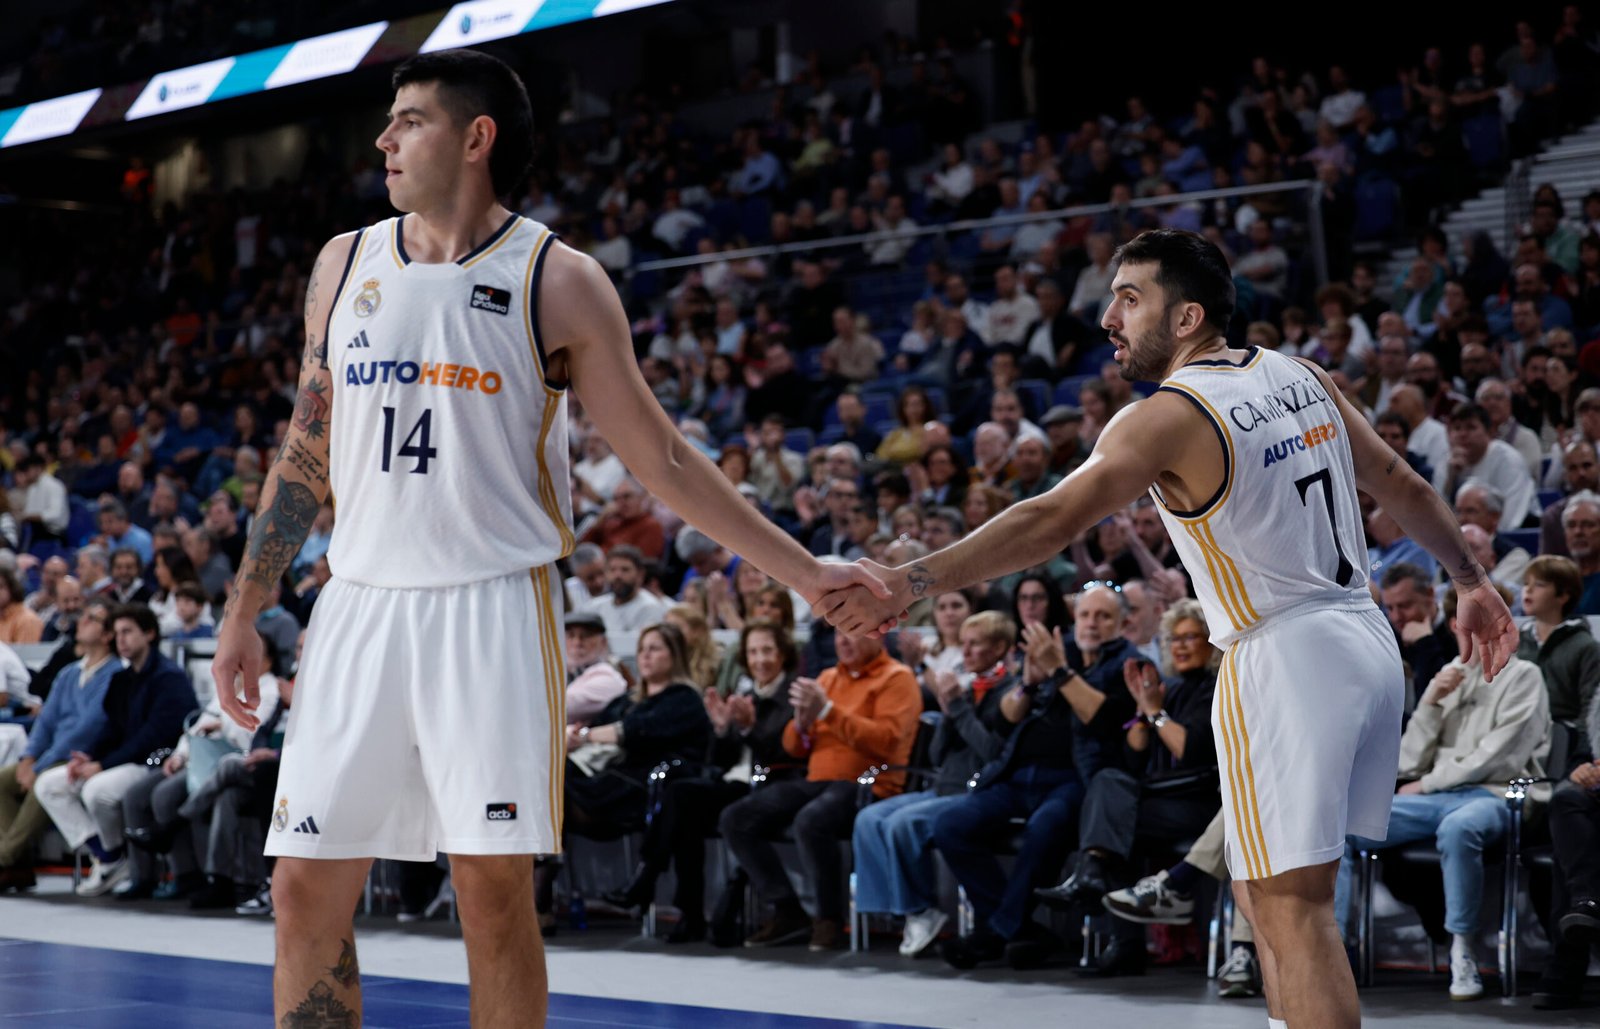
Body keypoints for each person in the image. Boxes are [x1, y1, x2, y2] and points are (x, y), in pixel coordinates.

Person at [208, 49, 882, 1027]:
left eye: (409, 120)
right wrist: (244, 607)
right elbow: (306, 450)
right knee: (303, 887)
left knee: (490, 896)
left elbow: (662, 459)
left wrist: (804, 570)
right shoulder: (342, 263)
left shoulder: (555, 277)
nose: (383, 139)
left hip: (489, 605)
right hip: (355, 604)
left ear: (476, 138)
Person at [818, 228, 1519, 1029]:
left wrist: (909, 580)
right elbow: (1396, 480)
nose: (1110, 317)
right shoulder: (1302, 374)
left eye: (1129, 298)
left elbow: (1049, 517)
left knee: (1293, 909)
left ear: (1186, 316)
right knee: (1262, 892)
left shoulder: (1169, 415)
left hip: (1284, 651)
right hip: (1360, 637)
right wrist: (1469, 580)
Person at [0, 599, 117, 891]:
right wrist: (28, 758)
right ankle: (18, 867)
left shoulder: (114, 674)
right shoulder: (69, 673)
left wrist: (38, 766)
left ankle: (5, 859)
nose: (83, 621)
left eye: (92, 618)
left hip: (79, 756)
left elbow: (87, 729)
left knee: (43, 786)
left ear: (107, 634)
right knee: (2, 782)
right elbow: (46, 722)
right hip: (49, 755)